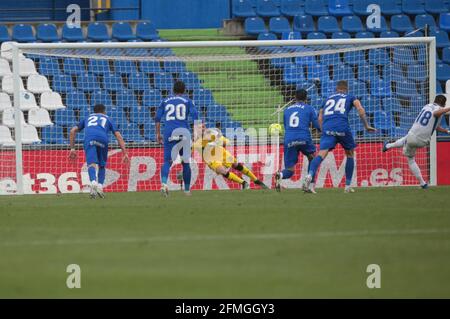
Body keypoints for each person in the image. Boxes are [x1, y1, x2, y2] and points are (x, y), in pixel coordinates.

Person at [304, 80, 376, 193]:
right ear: (346, 89)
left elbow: (319, 118)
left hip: (328, 128)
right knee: (350, 154)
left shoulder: (327, 99)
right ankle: (347, 186)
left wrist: (324, 131)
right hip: (342, 127)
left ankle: (309, 175)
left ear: (336, 89)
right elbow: (360, 109)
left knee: (321, 154)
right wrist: (366, 125)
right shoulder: (351, 97)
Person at [383, 95, 450, 188]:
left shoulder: (426, 106)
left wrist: (445, 129)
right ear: (443, 103)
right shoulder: (439, 111)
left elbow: (435, 118)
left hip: (413, 136)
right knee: (405, 139)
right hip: (423, 141)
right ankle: (387, 146)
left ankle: (423, 183)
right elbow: (436, 117)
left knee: (410, 159)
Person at [69, 103, 129, 198]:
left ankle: (93, 182)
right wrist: (125, 153)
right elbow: (118, 135)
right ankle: (100, 186)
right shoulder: (108, 118)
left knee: (91, 164)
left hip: (90, 139)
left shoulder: (87, 117)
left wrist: (72, 148)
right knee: (102, 165)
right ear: (104, 111)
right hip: (103, 139)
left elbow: (72, 131)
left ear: (94, 111)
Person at [155, 80, 200, 197]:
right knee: (185, 163)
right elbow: (196, 117)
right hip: (184, 133)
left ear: (173, 90)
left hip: (169, 133)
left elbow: (157, 118)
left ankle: (164, 184)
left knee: (167, 162)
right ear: (184, 90)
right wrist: (197, 135)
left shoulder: (165, 101)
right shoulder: (188, 101)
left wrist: (158, 134)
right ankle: (186, 190)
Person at [274, 89, 320, 193]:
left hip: (289, 139)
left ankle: (280, 175)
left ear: (295, 97)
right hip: (304, 137)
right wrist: (323, 131)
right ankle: (309, 184)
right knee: (313, 158)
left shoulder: (287, 109)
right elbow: (316, 124)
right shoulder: (309, 108)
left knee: (289, 170)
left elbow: (286, 126)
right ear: (306, 98)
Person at [193, 126, 268, 190]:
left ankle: (256, 180)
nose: (202, 129)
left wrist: (218, 141)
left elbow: (227, 142)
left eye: (203, 127)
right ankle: (243, 183)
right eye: (199, 128)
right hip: (211, 160)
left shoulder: (212, 135)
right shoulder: (196, 143)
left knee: (236, 164)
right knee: (222, 171)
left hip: (221, 153)